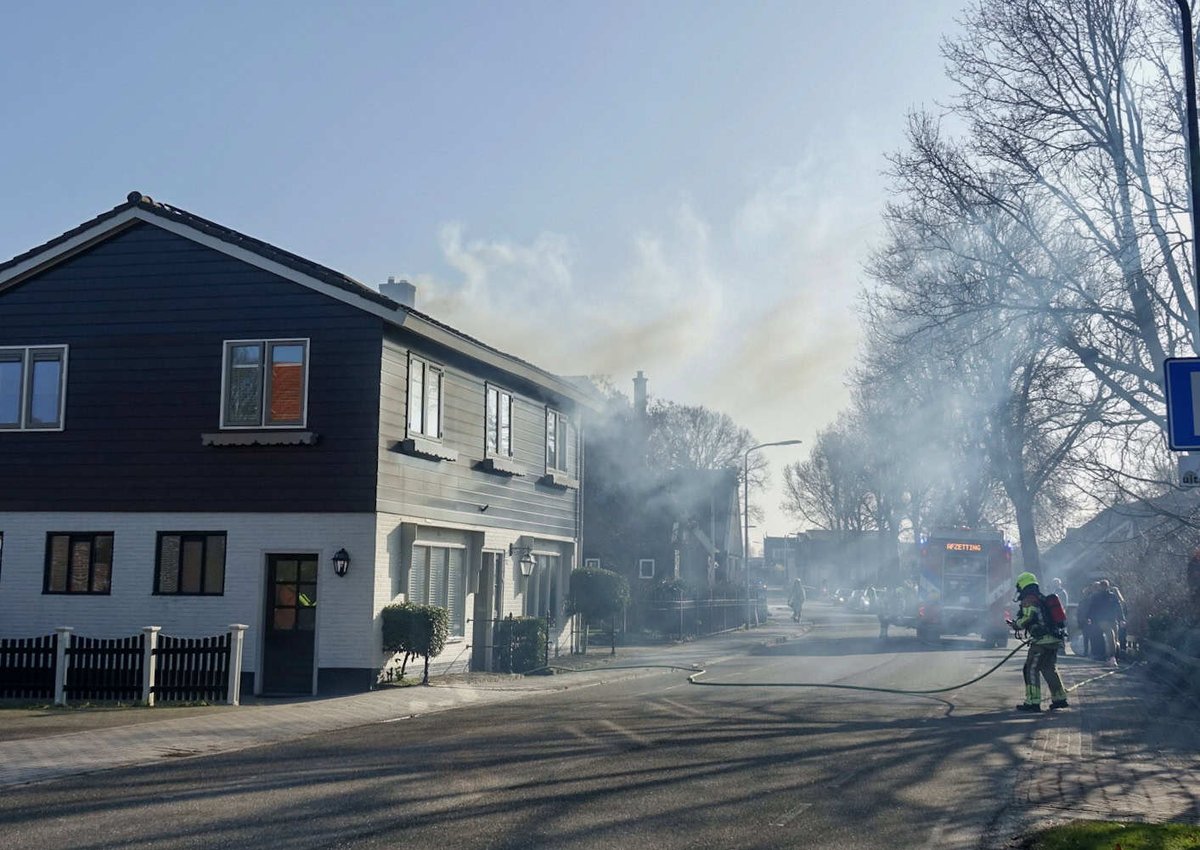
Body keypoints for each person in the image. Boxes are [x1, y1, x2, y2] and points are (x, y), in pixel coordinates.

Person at [1011, 571, 1069, 712]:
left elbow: (1028, 618)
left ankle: (1033, 702)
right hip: (1054, 639)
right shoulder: (1041, 597)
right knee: (1049, 668)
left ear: (1022, 584)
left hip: (1042, 641)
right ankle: (1060, 698)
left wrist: (1016, 624)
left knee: (1030, 668)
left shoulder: (1029, 599)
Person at [1091, 579, 1125, 666]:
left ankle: (1113, 657)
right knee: (1111, 636)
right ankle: (1112, 657)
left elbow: (1092, 609)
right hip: (1106, 620)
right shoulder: (1110, 596)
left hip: (1108, 619)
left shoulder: (1100, 596)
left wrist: (1091, 618)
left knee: (1114, 639)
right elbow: (1118, 608)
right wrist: (1121, 619)